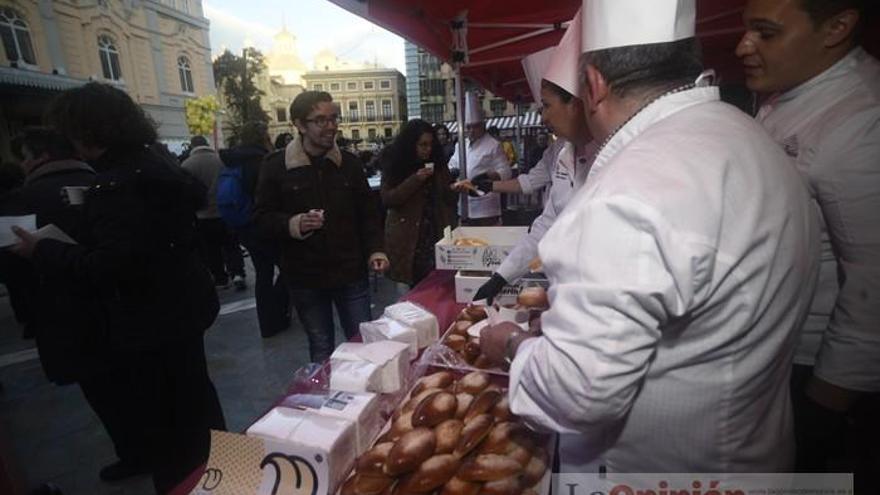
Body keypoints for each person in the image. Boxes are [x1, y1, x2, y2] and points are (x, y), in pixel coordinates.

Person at [480, 0, 820, 472]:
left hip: (656, 472)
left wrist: (513, 345)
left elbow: (574, 394)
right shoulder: (751, 137)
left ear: (594, 84)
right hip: (753, 454)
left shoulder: (627, 191)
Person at [9, 82, 225, 491]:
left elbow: (112, 265)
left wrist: (45, 250)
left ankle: (188, 487)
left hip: (149, 318)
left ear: (89, 130)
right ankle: (235, 481)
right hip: (184, 308)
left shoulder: (117, 183)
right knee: (200, 403)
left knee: (168, 430)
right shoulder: (156, 163)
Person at [736, 0, 880, 480]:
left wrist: (825, 404)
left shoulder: (862, 119)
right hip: (771, 356)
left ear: (837, 26)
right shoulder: (786, 94)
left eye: (766, 33)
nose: (743, 47)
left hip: (813, 372)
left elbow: (872, 287)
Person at [253, 91, 388, 362]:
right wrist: (295, 223)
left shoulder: (348, 164)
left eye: (333, 118)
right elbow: (261, 218)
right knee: (321, 347)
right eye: (320, 120)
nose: (331, 126)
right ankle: (330, 401)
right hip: (305, 276)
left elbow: (368, 213)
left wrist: (376, 250)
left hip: (350, 271)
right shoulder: (276, 166)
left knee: (363, 344)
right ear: (300, 125)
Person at [474, 10, 595, 303]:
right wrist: (502, 276)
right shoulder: (564, 152)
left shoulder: (613, 156)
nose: (542, 118)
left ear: (576, 104)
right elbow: (546, 223)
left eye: (546, 106)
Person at [220, 121, 291, 338]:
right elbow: (269, 196)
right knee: (289, 267)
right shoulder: (261, 161)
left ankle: (267, 324)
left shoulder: (233, 159)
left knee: (263, 273)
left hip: (245, 226)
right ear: (263, 136)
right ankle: (277, 314)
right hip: (263, 225)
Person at [380, 119, 457, 286]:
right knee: (413, 293)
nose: (428, 149)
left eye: (430, 144)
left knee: (438, 288)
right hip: (408, 241)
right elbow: (388, 199)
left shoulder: (438, 163)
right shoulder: (395, 164)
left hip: (436, 236)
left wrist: (455, 188)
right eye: (422, 145)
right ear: (410, 144)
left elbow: (448, 200)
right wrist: (415, 179)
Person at [181, 135, 244, 290]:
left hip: (203, 215)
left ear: (192, 146)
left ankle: (220, 278)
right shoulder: (220, 160)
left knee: (212, 249)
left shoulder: (186, 165)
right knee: (231, 245)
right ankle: (237, 273)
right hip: (225, 211)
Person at [448, 92, 512, 225]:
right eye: (468, 127)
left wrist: (493, 175)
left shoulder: (493, 145)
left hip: (486, 209)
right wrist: (453, 178)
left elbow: (506, 172)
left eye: (475, 126)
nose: (471, 131)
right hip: (464, 206)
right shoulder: (461, 144)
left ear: (483, 125)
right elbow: (452, 165)